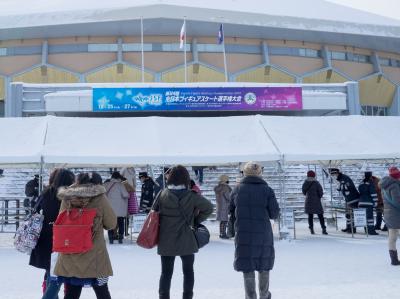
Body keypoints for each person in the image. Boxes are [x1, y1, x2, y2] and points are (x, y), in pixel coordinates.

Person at [54, 172, 117, 298]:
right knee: (102, 291)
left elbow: (61, 221)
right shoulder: (100, 197)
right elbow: (111, 223)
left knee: (71, 292)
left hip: (70, 252)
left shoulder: (67, 198)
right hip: (94, 255)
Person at [154, 165, 213, 299]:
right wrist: (196, 220)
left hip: (166, 239)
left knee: (166, 273)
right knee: (188, 271)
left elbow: (154, 213)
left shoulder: (162, 194)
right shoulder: (191, 196)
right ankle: (187, 296)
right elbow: (209, 208)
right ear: (186, 179)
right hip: (187, 239)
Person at [230, 162, 280, 299]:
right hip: (263, 233)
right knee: (264, 264)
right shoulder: (267, 190)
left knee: (248, 265)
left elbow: (231, 211)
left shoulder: (237, 189)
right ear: (259, 173)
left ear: (244, 173)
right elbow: (274, 214)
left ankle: (250, 296)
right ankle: (264, 295)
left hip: (243, 232)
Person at [29, 168, 75, 299]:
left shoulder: (46, 193)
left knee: (52, 274)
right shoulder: (64, 198)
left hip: (45, 240)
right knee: (56, 277)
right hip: (59, 241)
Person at [379, 167, 400, 266]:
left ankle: (394, 260)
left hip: (388, 214)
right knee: (393, 237)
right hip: (397, 215)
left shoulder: (384, 185)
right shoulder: (395, 186)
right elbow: (397, 201)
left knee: (392, 238)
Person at [329, 168, 359, 233]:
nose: (333, 176)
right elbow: (340, 188)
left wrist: (343, 188)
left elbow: (349, 187)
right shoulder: (340, 179)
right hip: (348, 199)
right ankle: (348, 227)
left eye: (333, 174)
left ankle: (352, 229)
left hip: (353, 198)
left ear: (337, 173)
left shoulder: (345, 178)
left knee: (352, 214)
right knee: (348, 215)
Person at [104, 171, 129, 244]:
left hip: (109, 208)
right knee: (121, 222)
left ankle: (111, 238)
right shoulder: (121, 185)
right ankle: (120, 237)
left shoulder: (106, 184)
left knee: (110, 223)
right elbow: (126, 195)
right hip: (120, 210)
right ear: (118, 177)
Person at [302, 170, 327, 235]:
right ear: (314, 175)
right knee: (320, 216)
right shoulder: (316, 183)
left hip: (309, 201)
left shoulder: (305, 183)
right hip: (317, 202)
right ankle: (323, 229)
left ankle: (311, 229)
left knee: (310, 216)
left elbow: (304, 192)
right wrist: (318, 197)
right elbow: (321, 192)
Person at [214, 174, 232, 239]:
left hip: (219, 205)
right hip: (224, 206)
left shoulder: (218, 187)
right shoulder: (225, 188)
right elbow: (228, 198)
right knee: (224, 221)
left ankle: (221, 233)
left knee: (222, 221)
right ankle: (223, 234)